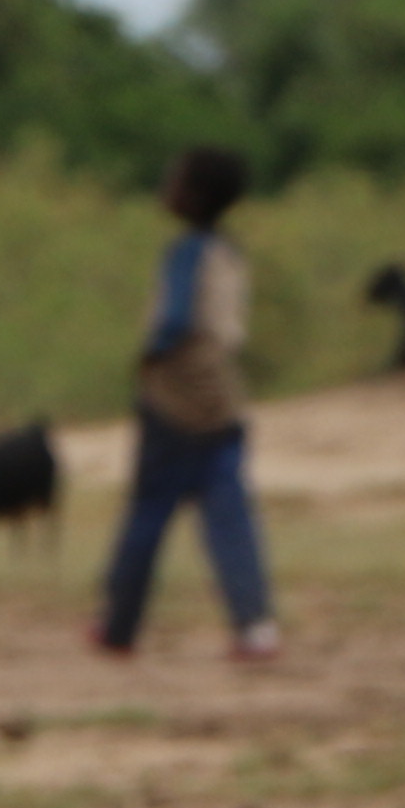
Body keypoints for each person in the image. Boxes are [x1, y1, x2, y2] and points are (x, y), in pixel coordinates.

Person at [93, 145, 280, 666]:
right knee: (230, 518)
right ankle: (255, 627)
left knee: (148, 512)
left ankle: (119, 626)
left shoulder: (185, 253)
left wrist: (147, 356)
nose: (165, 186)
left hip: (173, 403)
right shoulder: (229, 253)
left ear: (191, 196)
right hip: (221, 403)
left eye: (173, 180)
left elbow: (175, 320)